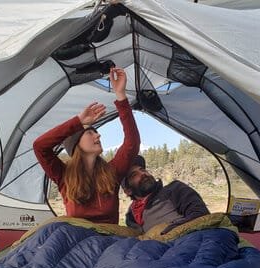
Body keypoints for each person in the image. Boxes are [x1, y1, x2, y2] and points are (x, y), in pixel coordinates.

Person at [33, 67, 140, 224]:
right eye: (90, 132)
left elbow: (132, 142)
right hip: (76, 240)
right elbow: (40, 146)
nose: (98, 135)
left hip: (108, 241)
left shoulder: (112, 172)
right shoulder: (63, 175)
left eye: (95, 132)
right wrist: (78, 122)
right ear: (75, 144)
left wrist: (121, 96)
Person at [122, 155, 210, 234]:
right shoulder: (131, 215)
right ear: (128, 191)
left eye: (143, 170)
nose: (143, 174)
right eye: (134, 175)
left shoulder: (174, 189)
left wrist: (167, 232)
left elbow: (200, 215)